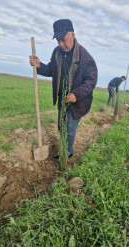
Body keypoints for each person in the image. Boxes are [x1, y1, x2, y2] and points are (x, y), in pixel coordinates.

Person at [29, 19, 98, 159]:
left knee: (70, 129)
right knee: (61, 126)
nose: (61, 44)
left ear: (72, 35)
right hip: (62, 98)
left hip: (77, 101)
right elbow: (51, 70)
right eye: (58, 40)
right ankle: (64, 148)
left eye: (63, 40)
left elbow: (91, 81)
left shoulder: (84, 56)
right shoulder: (57, 52)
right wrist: (38, 65)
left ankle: (66, 153)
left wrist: (76, 94)